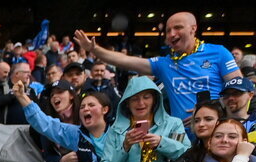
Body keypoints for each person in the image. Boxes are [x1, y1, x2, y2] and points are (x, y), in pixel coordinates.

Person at [74, 12, 241, 122]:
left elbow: (239, 90)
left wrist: (210, 109)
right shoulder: (164, 64)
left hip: (217, 136)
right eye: (168, 30)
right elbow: (125, 61)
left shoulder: (218, 53)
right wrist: (94, 49)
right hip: (182, 142)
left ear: (193, 29)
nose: (172, 34)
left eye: (178, 28)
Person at [101, 76, 189, 162]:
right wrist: (124, 147)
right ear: (127, 103)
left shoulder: (173, 124)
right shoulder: (115, 130)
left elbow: (187, 157)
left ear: (155, 99)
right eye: (135, 99)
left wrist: (162, 142)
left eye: (146, 97)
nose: (141, 103)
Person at [157, 100, 226, 162]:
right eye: (197, 120)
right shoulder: (193, 153)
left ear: (220, 122)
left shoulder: (230, 152)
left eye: (208, 119)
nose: (201, 124)